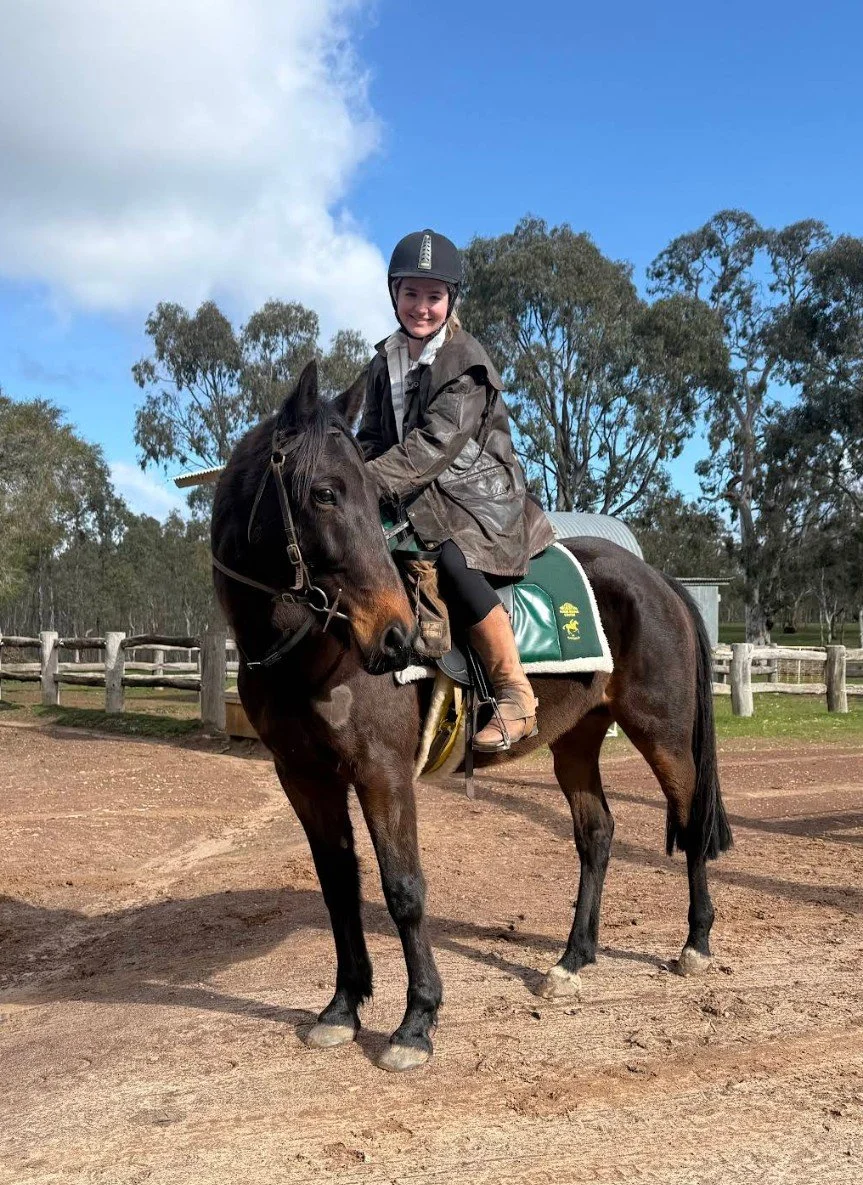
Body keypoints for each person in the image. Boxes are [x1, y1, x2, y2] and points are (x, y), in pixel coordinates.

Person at [358, 228, 555, 751]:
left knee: (448, 557)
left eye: (434, 296)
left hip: (474, 494)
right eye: (411, 294)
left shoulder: (466, 360)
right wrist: (339, 469)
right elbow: (372, 439)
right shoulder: (385, 363)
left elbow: (434, 446)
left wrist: (364, 482)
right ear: (394, 294)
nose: (421, 307)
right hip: (413, 491)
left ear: (451, 300)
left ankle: (515, 693)